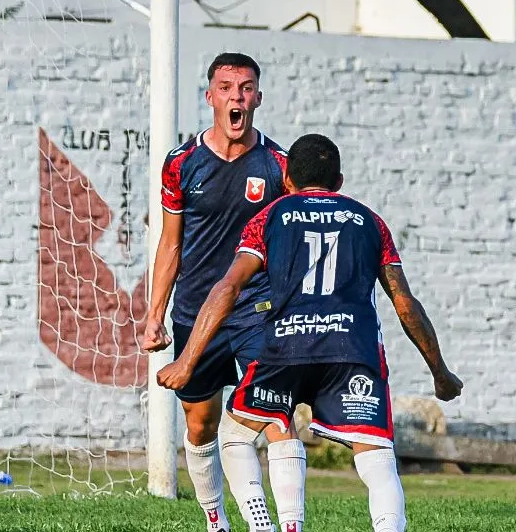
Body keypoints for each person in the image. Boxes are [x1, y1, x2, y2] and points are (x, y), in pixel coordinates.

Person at [158, 134, 463, 532]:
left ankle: (265, 526)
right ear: (338, 181)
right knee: (376, 455)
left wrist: (186, 360)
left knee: (234, 436)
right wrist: (439, 371)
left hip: (286, 347)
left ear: (286, 181)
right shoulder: (370, 222)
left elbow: (227, 288)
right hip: (353, 349)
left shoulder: (268, 218)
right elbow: (405, 303)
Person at [141, 53, 304, 532]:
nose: (237, 96)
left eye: (246, 87)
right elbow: (170, 244)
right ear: (210, 96)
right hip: (195, 313)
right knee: (200, 425)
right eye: (227, 87)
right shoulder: (181, 164)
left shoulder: (279, 166)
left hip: (257, 309)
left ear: (258, 97)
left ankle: (289, 525)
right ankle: (216, 520)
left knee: (277, 418)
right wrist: (155, 314)